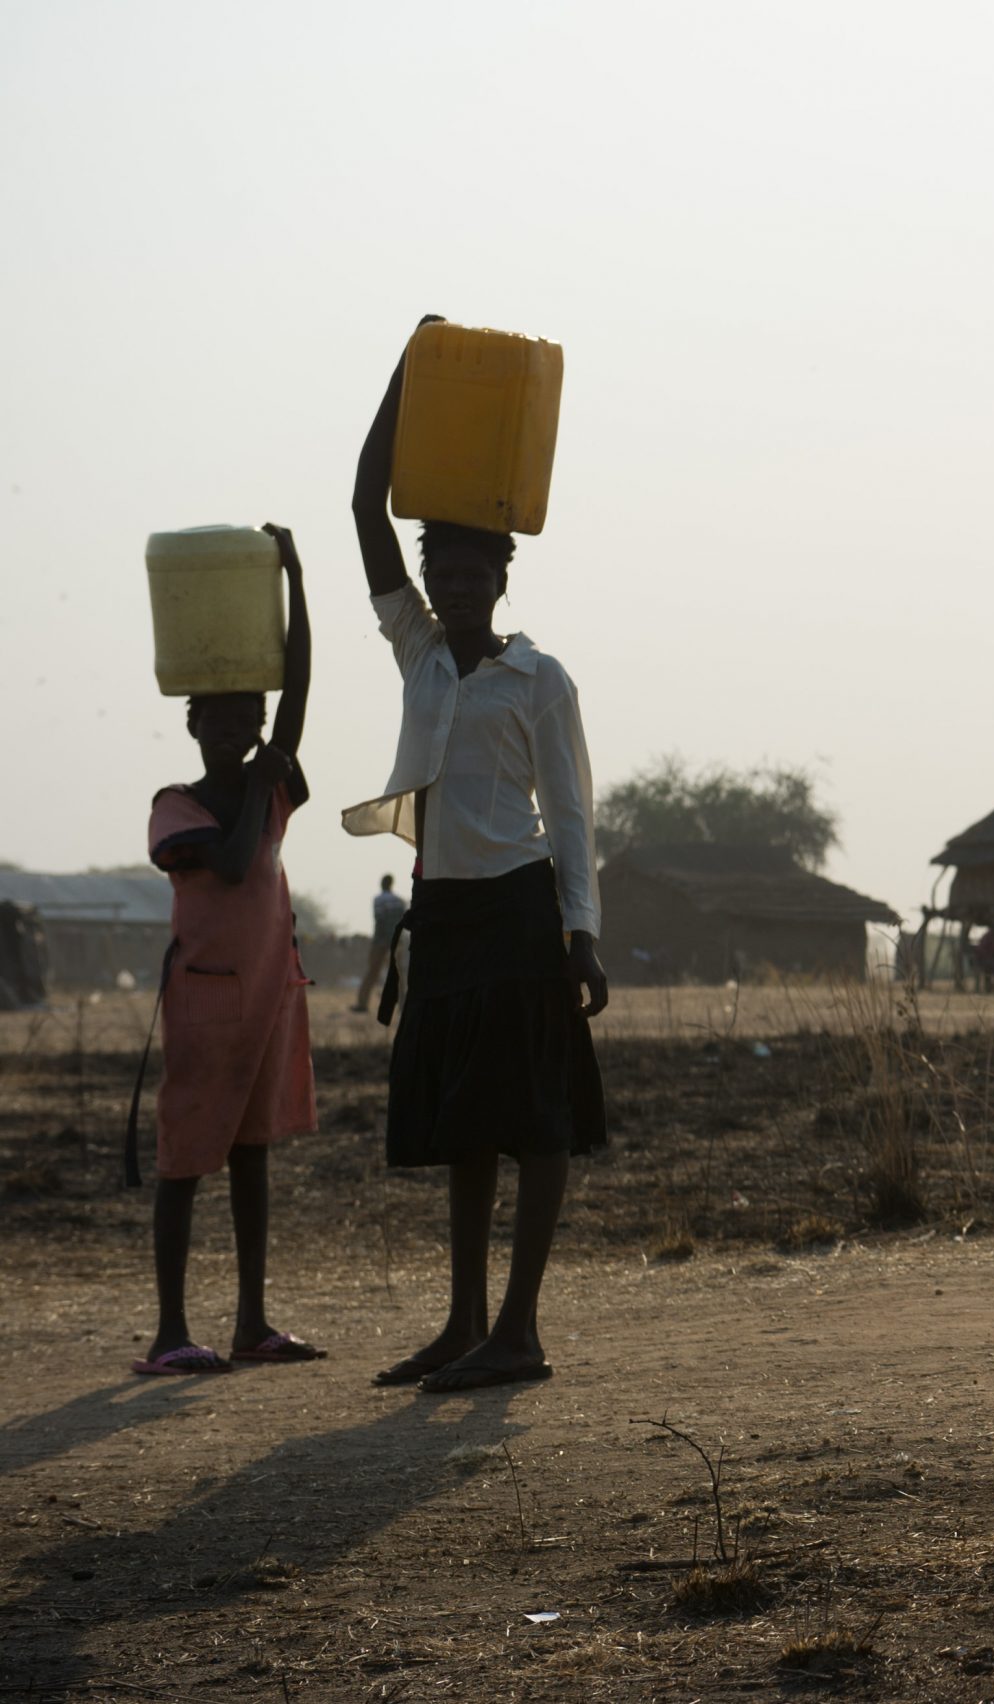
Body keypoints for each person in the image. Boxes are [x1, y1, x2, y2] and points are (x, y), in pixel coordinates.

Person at [347, 317, 607, 1394]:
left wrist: (582, 934)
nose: (452, 580)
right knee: (464, 1124)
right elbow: (367, 502)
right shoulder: (414, 650)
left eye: (471, 563)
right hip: (443, 915)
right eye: (437, 564)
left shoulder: (538, 680)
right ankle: (461, 1326)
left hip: (518, 909)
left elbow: (575, 813)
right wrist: (409, 373)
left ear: (501, 572)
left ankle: (521, 1330)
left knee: (533, 1116)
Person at [135, 524, 324, 1375]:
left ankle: (253, 1319)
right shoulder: (177, 806)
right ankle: (170, 1330)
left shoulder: (270, 783)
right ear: (193, 723)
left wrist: (294, 580)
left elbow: (300, 688)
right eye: (216, 715)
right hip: (206, 1005)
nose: (234, 724)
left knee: (252, 1156)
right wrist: (257, 777)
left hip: (269, 999)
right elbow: (238, 855)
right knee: (184, 1162)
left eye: (247, 713)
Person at [355, 874, 407, 1013]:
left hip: (380, 941)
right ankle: (403, 1005)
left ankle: (362, 1003)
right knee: (398, 974)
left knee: (372, 971)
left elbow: (379, 919)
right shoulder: (399, 901)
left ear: (382, 884)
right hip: (396, 939)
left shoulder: (378, 900)